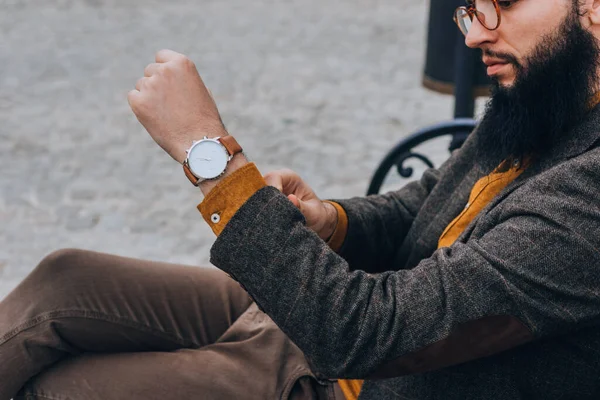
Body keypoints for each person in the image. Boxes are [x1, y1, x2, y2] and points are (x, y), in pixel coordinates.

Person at [3, 0, 600, 398]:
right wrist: (330, 222)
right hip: (315, 311)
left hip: (349, 376)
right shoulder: (549, 96)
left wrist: (208, 153)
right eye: (469, 9)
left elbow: (367, 335)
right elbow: (420, 207)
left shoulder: (588, 195)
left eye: (502, 3)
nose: (474, 32)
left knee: (65, 388)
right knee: (65, 279)